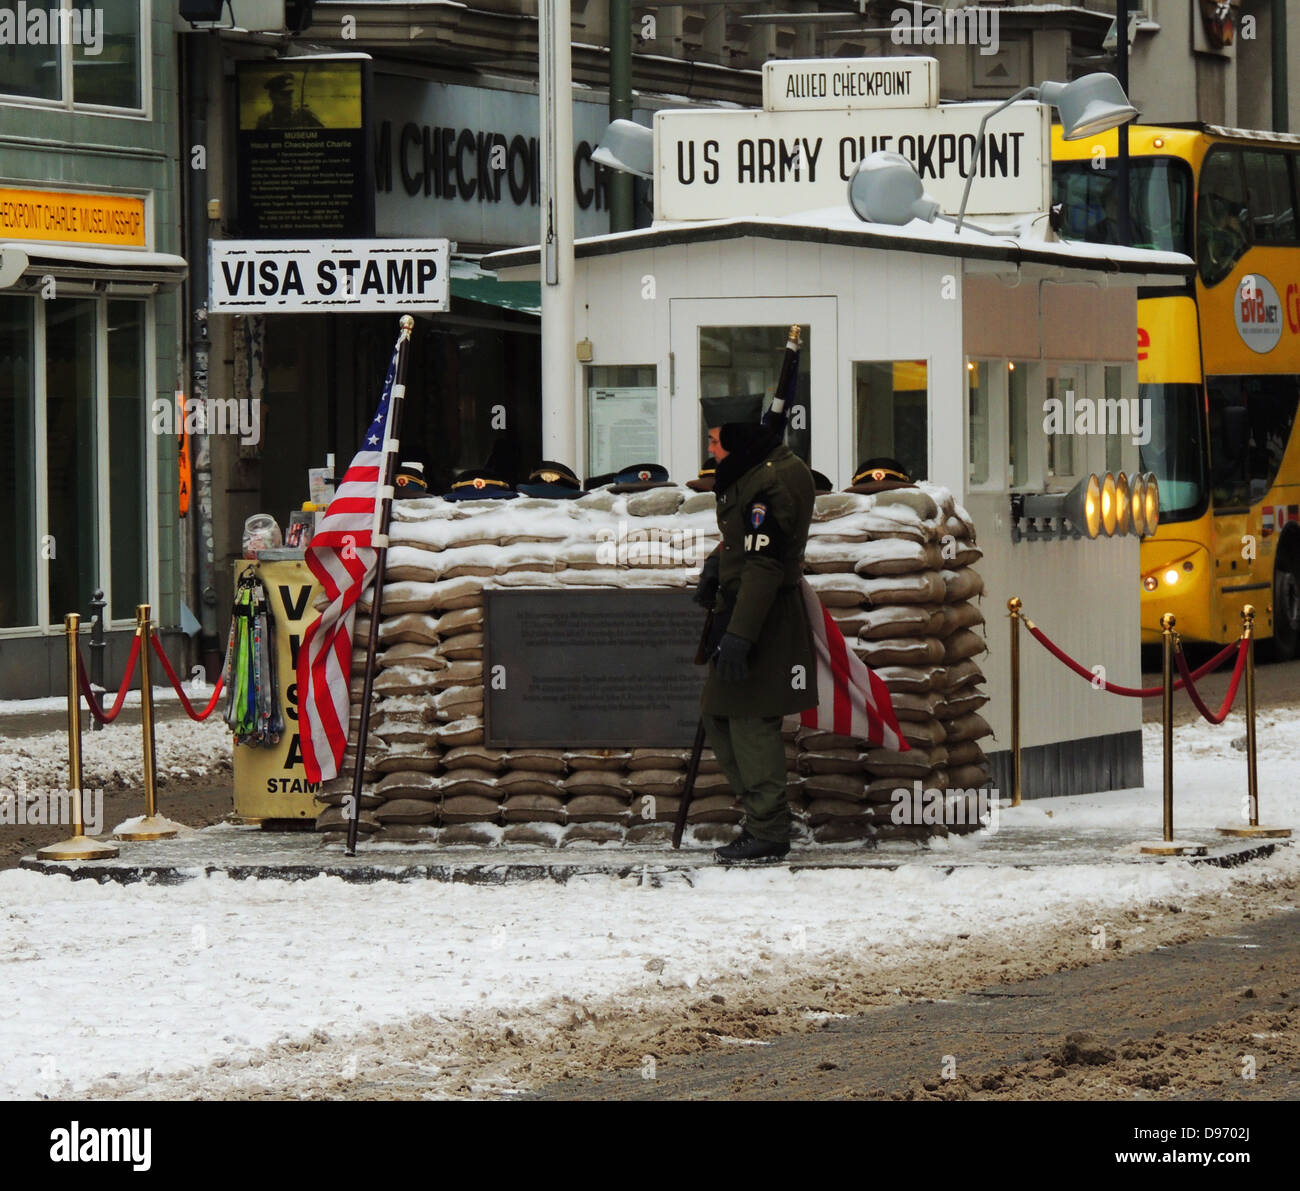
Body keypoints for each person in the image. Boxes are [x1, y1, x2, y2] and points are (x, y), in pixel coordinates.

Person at [694, 420, 817, 863]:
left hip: (762, 615)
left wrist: (741, 635)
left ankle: (768, 829)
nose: (709, 449)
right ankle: (763, 818)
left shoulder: (770, 482)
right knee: (719, 714)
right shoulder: (752, 472)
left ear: (738, 442)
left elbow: (765, 564)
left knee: (749, 720)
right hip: (740, 606)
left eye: (714, 441)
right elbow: (742, 543)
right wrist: (715, 566)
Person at [256, 73, 322, 130]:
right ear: (272, 97)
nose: (289, 98)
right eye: (284, 94)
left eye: (290, 94)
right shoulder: (265, 121)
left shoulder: (304, 115)